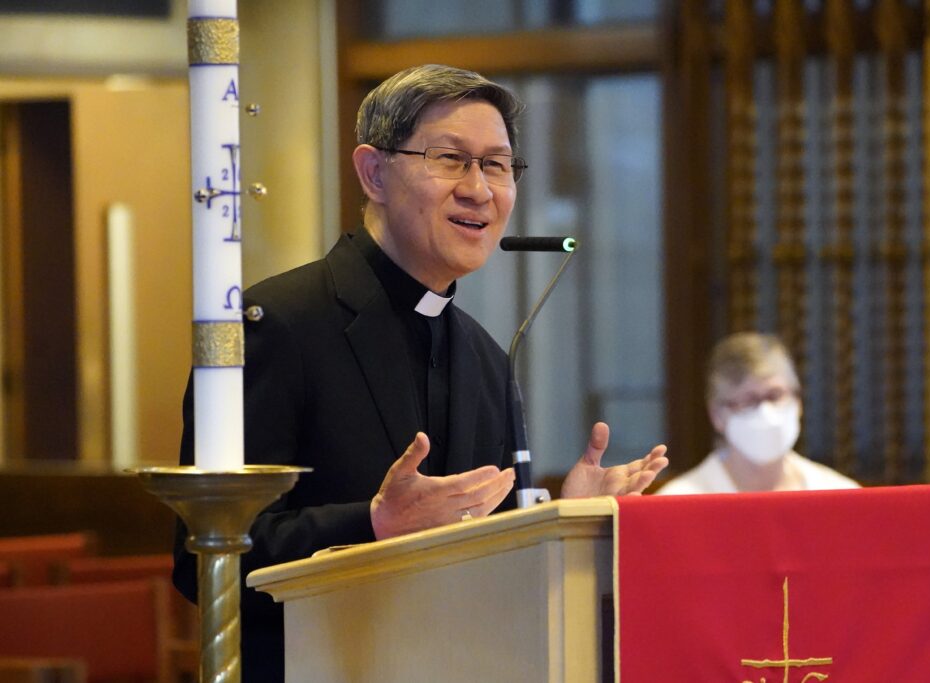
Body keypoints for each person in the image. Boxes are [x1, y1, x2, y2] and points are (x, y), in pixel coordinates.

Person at [172, 64, 668, 682]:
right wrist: (373, 525)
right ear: (374, 173)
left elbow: (484, 567)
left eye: (497, 165)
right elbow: (203, 563)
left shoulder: (488, 359)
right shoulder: (275, 326)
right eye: (450, 159)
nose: (480, 190)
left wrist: (557, 526)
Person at [656, 332, 857, 495]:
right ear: (717, 415)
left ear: (798, 401)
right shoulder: (679, 500)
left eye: (775, 395)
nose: (765, 412)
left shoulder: (840, 494)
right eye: (748, 400)